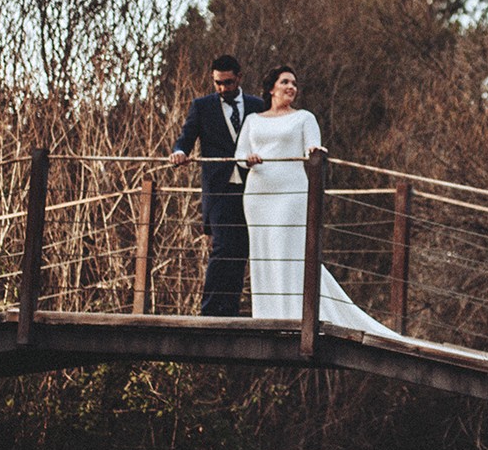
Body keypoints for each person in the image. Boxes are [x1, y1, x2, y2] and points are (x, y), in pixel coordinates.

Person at [234, 66, 394, 336]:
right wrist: (249, 158)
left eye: (294, 83)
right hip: (259, 192)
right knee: (264, 251)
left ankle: (297, 316)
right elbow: (239, 154)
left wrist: (312, 151)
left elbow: (314, 149)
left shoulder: (304, 118)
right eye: (285, 82)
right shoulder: (253, 119)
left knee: (289, 248)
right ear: (271, 88)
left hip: (291, 191)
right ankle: (268, 317)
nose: (291, 87)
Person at [169, 54, 266, 316]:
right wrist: (179, 151)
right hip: (220, 187)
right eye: (218, 83)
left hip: (251, 186)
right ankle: (210, 311)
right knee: (222, 246)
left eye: (228, 83)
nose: (223, 89)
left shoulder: (258, 105)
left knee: (241, 249)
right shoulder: (202, 106)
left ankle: (230, 310)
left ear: (239, 77)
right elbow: (186, 136)